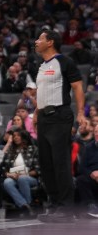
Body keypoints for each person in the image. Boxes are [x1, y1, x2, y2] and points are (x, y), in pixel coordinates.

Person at [34, 29, 85, 223]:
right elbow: (42, 91)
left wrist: (80, 112)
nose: (36, 41)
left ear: (50, 42)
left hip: (60, 116)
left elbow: (78, 87)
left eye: (40, 38)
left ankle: (66, 208)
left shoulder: (64, 62)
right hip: (44, 119)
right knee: (46, 164)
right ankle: (55, 204)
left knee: (60, 163)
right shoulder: (41, 66)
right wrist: (36, 113)